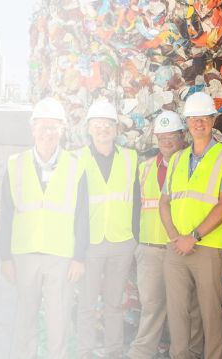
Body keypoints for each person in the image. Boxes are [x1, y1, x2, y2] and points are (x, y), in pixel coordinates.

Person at [0, 97, 89, 359]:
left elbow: (82, 215)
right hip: (24, 255)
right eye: (43, 127)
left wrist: (79, 257)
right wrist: (5, 257)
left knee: (58, 322)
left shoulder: (75, 165)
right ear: (32, 128)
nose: (48, 133)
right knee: (23, 320)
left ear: (63, 130)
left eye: (54, 127)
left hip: (61, 256)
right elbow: (5, 214)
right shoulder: (15, 164)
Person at [160, 92, 222, 359]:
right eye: (193, 118)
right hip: (177, 248)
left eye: (204, 118)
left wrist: (192, 237)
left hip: (207, 247)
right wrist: (175, 238)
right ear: (187, 122)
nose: (198, 123)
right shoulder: (177, 160)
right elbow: (164, 203)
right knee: (179, 310)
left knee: (209, 312)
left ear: (213, 120)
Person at [128, 111, 203, 359]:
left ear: (183, 136)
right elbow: (135, 207)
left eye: (172, 136)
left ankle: (186, 354)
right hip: (151, 249)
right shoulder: (145, 168)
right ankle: (142, 353)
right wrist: (137, 244)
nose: (167, 141)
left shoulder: (193, 165)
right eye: (162, 137)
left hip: (181, 248)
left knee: (187, 308)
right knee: (151, 306)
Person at [76, 99, 139, 359]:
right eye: (97, 124)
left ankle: (114, 352)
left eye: (108, 124)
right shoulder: (77, 159)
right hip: (90, 244)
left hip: (122, 242)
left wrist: (136, 241)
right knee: (87, 305)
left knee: (114, 303)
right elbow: (75, 209)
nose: (102, 128)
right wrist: (77, 253)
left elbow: (136, 202)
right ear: (89, 128)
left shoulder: (130, 158)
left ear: (116, 129)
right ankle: (84, 352)